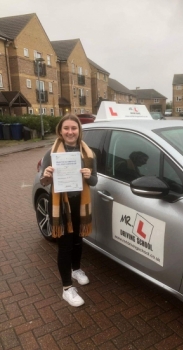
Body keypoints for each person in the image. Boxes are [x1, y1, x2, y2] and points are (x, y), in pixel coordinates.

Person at [40, 114, 98, 307]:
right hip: (61, 205)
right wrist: (47, 175)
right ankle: (67, 288)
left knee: (78, 240)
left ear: (79, 131)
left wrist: (89, 175)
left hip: (80, 203)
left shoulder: (88, 154)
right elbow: (44, 181)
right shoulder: (52, 153)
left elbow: (94, 181)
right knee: (65, 245)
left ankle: (76, 269)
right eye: (66, 128)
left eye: (74, 128)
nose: (70, 132)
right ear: (60, 130)